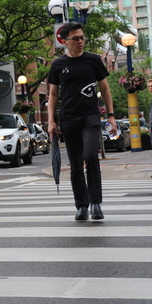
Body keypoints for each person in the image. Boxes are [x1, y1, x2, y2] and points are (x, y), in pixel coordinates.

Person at [47, 22, 116, 221]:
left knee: (90, 156)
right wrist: (51, 121)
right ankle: (81, 206)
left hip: (90, 116)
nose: (80, 41)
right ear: (64, 41)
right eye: (76, 38)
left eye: (82, 37)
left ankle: (95, 203)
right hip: (68, 119)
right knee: (76, 164)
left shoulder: (93, 60)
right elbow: (52, 95)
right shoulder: (57, 65)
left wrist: (111, 116)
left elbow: (105, 89)